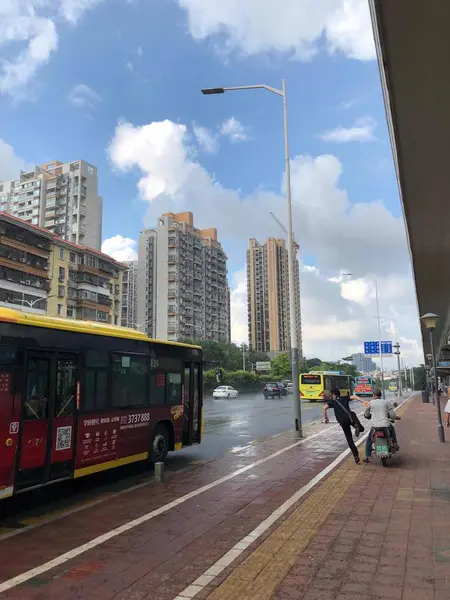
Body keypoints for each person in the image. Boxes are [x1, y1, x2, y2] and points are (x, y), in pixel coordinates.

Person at [323, 388, 364, 464]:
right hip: (350, 418)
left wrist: (326, 418)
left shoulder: (332, 401)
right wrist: (363, 401)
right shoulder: (345, 397)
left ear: (334, 394)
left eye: (331, 395)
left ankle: (356, 456)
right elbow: (354, 397)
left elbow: (324, 408)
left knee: (349, 439)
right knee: (358, 424)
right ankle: (356, 426)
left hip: (342, 421)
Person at [361, 389, 398, 463]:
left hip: (375, 426)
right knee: (392, 430)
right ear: (380, 395)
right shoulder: (386, 402)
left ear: (374, 395)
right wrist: (393, 418)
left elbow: (366, 415)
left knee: (369, 440)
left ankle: (367, 456)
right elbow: (393, 415)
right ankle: (395, 443)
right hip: (386, 425)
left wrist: (368, 414)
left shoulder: (370, 403)